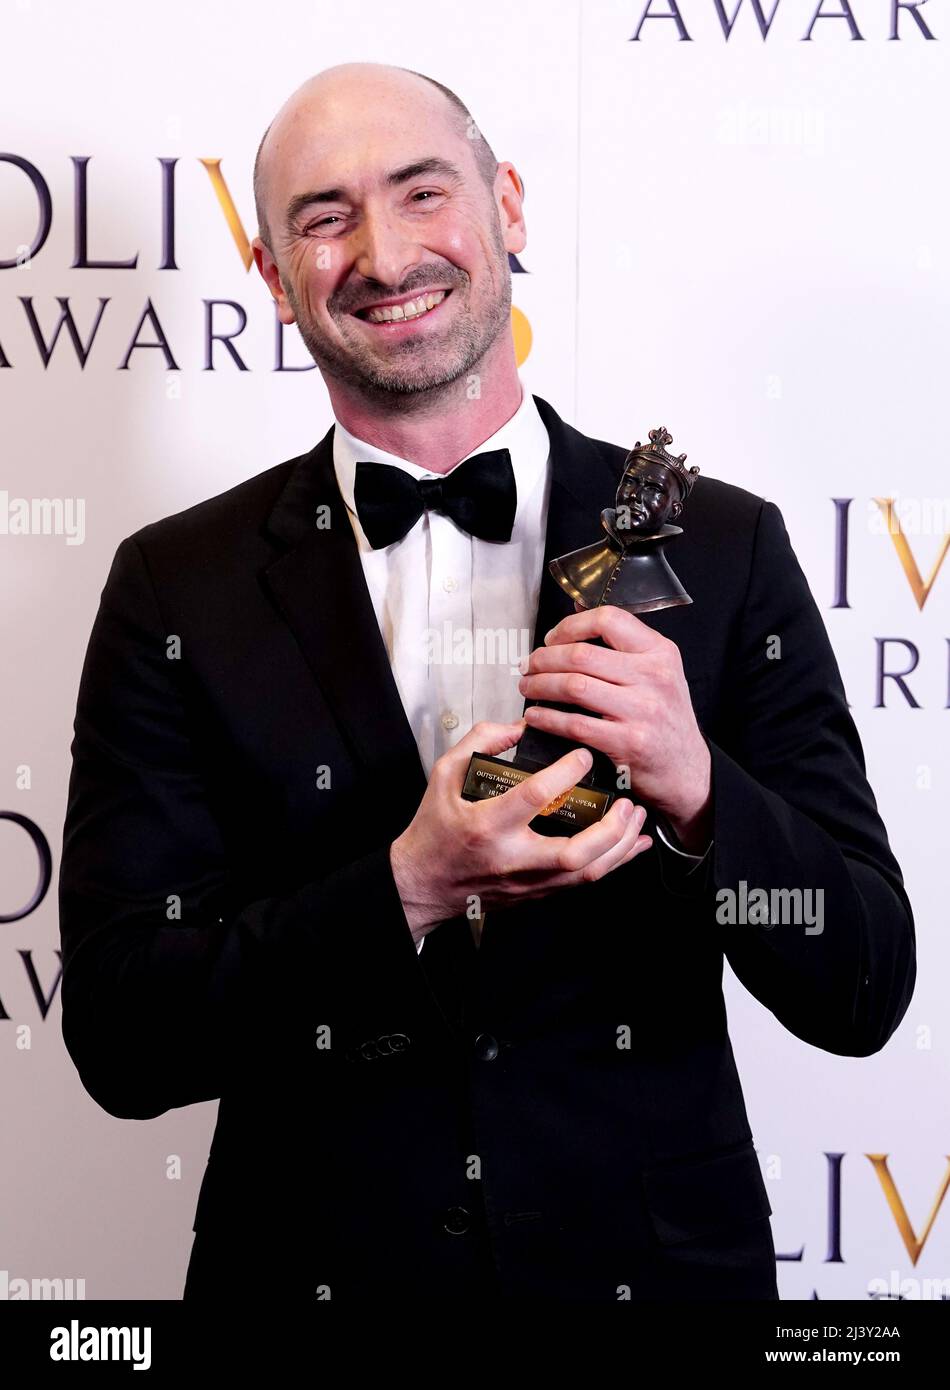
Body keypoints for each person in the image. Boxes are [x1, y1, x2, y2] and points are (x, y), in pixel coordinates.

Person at [58, 63, 915, 1302]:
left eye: (421, 191)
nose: (383, 251)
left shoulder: (718, 547)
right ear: (271, 277)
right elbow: (127, 1038)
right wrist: (405, 889)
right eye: (323, 216)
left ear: (505, 206)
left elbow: (861, 979)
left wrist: (700, 791)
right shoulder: (172, 588)